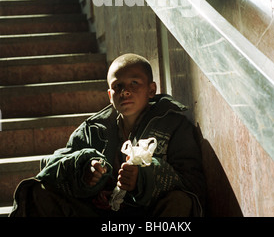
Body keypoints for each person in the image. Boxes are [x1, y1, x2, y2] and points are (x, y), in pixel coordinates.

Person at [10, 53, 206, 217]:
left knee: (181, 201)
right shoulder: (94, 128)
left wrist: (144, 178)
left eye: (134, 83)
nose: (125, 92)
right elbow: (52, 166)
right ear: (109, 95)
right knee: (38, 192)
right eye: (118, 86)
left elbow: (193, 183)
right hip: (100, 214)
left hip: (147, 214)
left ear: (151, 90)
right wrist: (84, 171)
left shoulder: (173, 124)